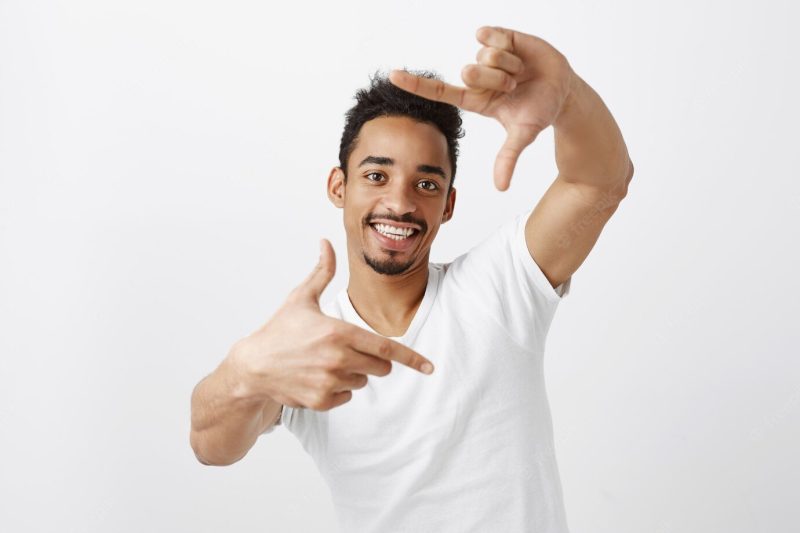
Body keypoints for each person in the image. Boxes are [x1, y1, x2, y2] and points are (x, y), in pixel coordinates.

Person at [190, 25, 633, 532]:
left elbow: (598, 181)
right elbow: (210, 445)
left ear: (448, 204)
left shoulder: (499, 286)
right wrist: (247, 370)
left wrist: (569, 96)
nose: (400, 203)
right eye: (376, 176)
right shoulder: (311, 350)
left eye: (426, 183)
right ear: (340, 186)